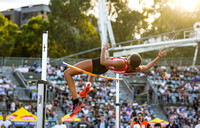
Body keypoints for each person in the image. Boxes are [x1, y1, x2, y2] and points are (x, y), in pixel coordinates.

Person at [64, 44, 166, 117]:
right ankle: (88, 84)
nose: (128, 56)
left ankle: (76, 101)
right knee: (86, 73)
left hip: (100, 64)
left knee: (67, 73)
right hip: (103, 69)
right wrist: (158, 57)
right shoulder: (135, 68)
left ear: (129, 60)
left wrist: (103, 49)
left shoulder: (122, 63)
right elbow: (147, 67)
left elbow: (103, 61)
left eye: (129, 56)